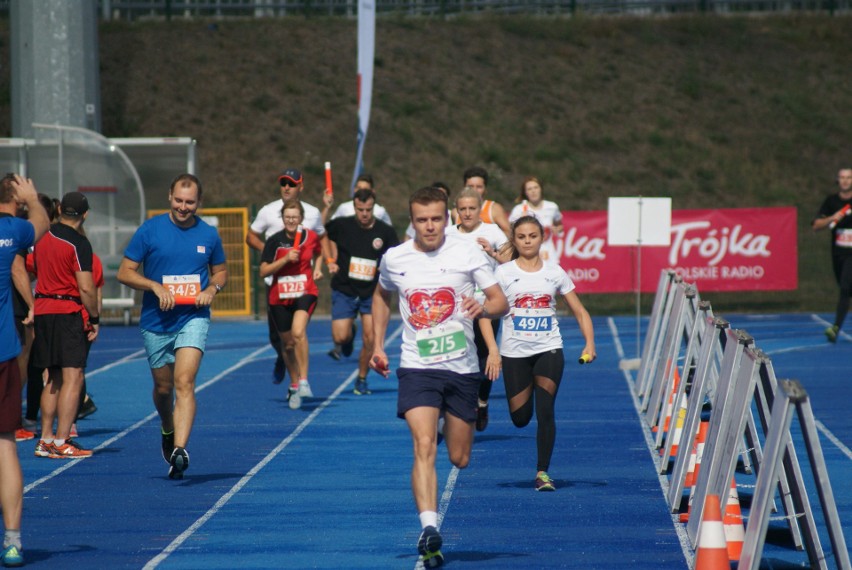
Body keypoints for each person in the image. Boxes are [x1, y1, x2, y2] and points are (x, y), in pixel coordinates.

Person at [371, 186, 508, 568]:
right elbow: (381, 296)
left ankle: (453, 417)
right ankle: (429, 528)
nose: (429, 227)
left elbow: (501, 302)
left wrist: (482, 305)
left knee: (460, 457)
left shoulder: (467, 253)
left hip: (462, 368)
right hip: (417, 366)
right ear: (411, 221)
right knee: (423, 443)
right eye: (421, 220)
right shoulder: (395, 258)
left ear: (446, 217)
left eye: (435, 219)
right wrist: (377, 345)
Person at [117, 174, 227, 479]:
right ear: (169, 197)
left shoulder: (208, 235)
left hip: (192, 318)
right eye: (179, 200)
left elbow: (220, 272)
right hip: (156, 322)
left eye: (190, 202)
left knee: (185, 382)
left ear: (199, 203)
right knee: (164, 388)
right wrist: (153, 286)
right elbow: (125, 272)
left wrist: (211, 290)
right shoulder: (150, 230)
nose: (183, 207)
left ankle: (179, 448)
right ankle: (168, 427)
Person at [494, 215, 595, 491]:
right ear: (514, 240)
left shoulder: (555, 272)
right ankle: (539, 463)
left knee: (545, 410)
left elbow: (580, 310)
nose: (527, 241)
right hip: (514, 352)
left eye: (533, 236)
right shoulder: (502, 273)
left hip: (549, 349)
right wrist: (491, 349)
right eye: (522, 237)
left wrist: (590, 343)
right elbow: (486, 311)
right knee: (520, 418)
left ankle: (542, 473)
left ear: (542, 238)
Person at [0, 174, 48, 568]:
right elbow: (43, 225)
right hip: (2, 352)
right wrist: (32, 199)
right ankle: (12, 541)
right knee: (5, 446)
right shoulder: (12, 230)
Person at [30, 191, 100, 460]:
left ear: (60, 209)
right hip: (66, 310)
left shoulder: (42, 237)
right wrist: (94, 318)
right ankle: (62, 440)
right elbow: (86, 287)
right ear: (85, 214)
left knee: (53, 377)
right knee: (74, 376)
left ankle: (45, 439)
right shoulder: (79, 243)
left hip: (44, 310)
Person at [246, 168, 327, 384]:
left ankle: (301, 379)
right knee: (278, 338)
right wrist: (273, 253)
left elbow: (321, 238)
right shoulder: (267, 211)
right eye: (283, 183)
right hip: (275, 282)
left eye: (291, 184)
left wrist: (325, 263)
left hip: (302, 282)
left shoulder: (312, 212)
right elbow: (250, 236)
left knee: (297, 333)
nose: (287, 188)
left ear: (301, 186)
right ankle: (283, 357)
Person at [445, 187, 509, 431]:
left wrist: (492, 253)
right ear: (457, 211)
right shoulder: (448, 234)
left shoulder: (492, 231)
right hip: (456, 308)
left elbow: (510, 259)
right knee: (457, 356)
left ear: (480, 208)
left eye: (472, 208)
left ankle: (481, 402)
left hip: (486, 304)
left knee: (485, 358)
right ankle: (455, 407)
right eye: (463, 209)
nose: (468, 213)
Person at [324, 188, 399, 393]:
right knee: (340, 337)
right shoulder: (343, 225)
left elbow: (395, 257)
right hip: (345, 288)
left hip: (371, 292)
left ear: (374, 207)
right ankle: (349, 335)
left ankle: (362, 378)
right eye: (360, 209)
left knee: (370, 338)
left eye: (368, 209)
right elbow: (319, 231)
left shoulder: (385, 231)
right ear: (354, 206)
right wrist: (330, 260)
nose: (364, 214)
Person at [259, 199, 323, 410]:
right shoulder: (274, 241)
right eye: (287, 217)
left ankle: (304, 380)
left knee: (298, 332)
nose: (291, 221)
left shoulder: (311, 237)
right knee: (287, 345)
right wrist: (285, 260)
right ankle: (294, 383)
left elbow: (320, 251)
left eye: (295, 217)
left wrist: (318, 268)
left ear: (301, 219)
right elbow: (264, 271)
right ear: (282, 218)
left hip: (305, 291)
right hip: (279, 296)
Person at [813, 168, 852, 342]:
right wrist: (833, 217)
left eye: (849, 177)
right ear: (838, 180)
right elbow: (816, 225)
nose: (845, 181)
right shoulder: (831, 201)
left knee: (845, 287)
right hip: (838, 254)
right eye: (842, 177)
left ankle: (835, 327)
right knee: (845, 288)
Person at [508, 176, 564, 267]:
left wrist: (557, 229)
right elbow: (509, 232)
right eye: (529, 189)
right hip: (527, 255)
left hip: (549, 254)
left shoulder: (552, 207)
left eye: (536, 187)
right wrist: (520, 221)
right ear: (525, 192)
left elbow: (560, 225)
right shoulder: (519, 209)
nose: (533, 191)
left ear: (541, 189)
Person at [453, 166, 511, 235]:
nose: (474, 190)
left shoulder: (494, 209)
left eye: (479, 187)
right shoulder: (455, 212)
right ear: (464, 187)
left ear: (485, 189)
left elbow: (509, 232)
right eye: (470, 186)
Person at [321, 173, 392, 226]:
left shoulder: (380, 211)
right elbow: (323, 229)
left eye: (365, 189)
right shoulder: (344, 208)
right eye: (359, 188)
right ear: (354, 190)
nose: (364, 214)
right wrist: (327, 207)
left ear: (372, 191)